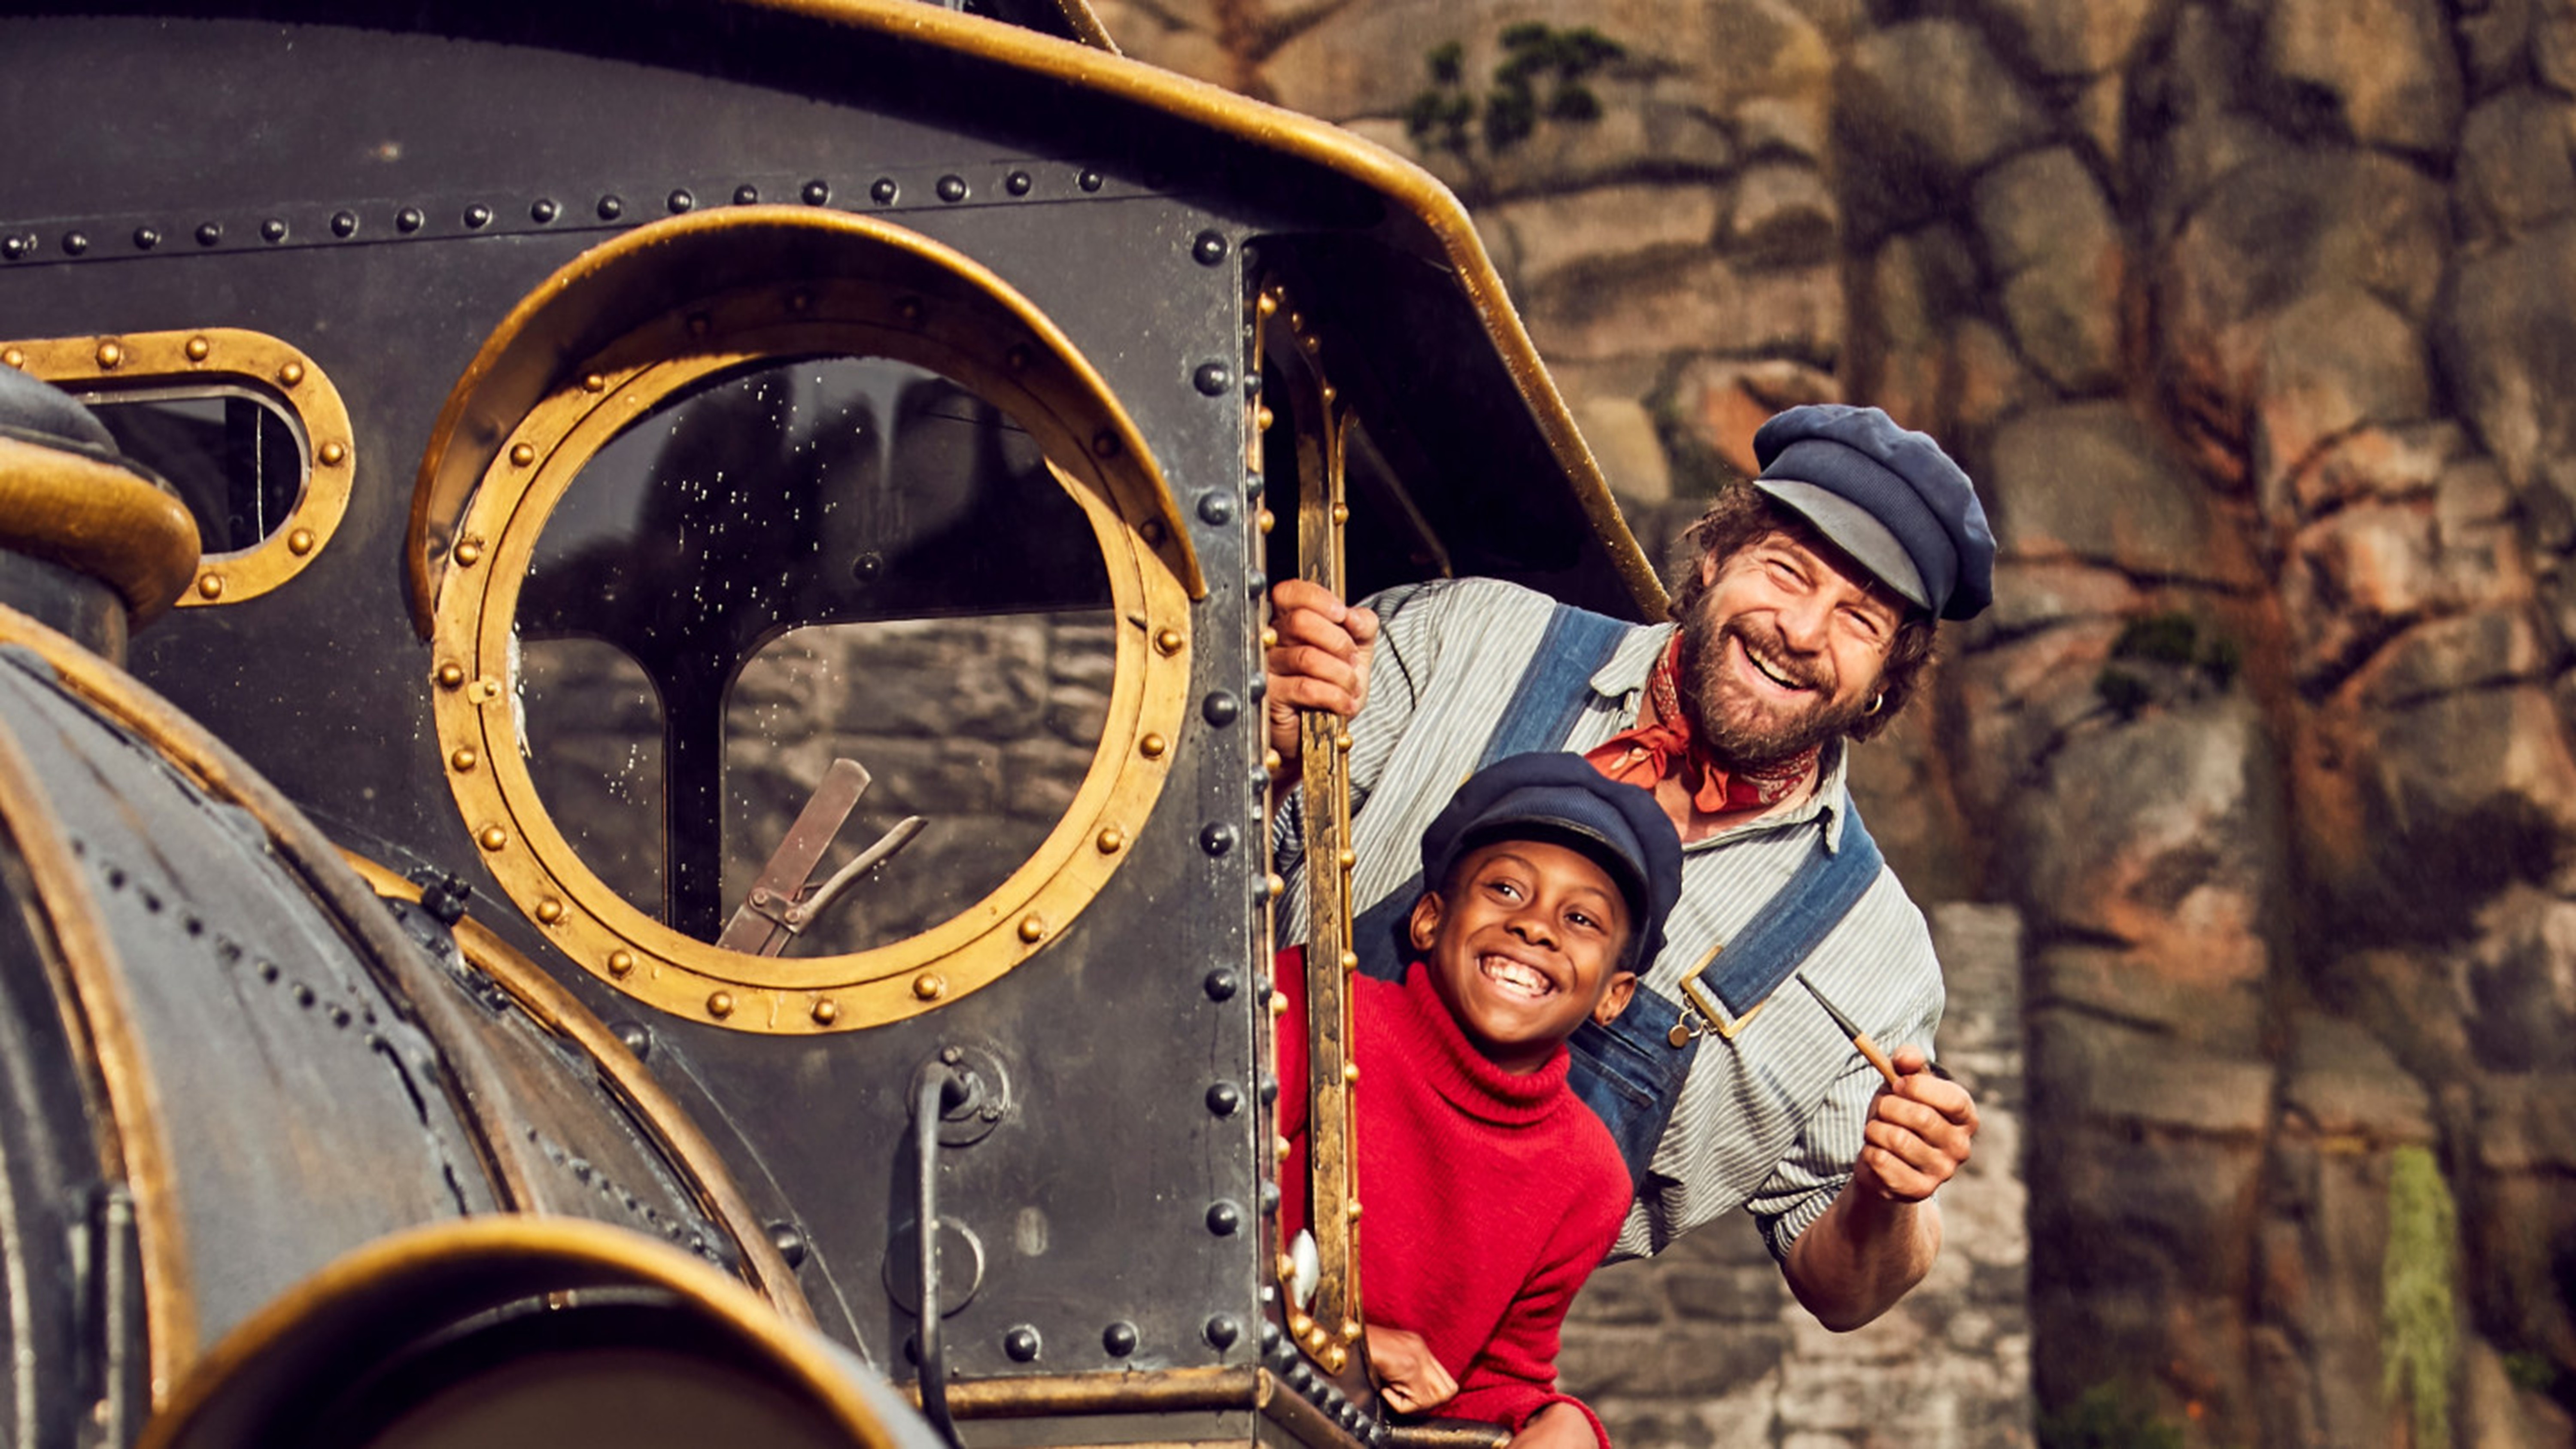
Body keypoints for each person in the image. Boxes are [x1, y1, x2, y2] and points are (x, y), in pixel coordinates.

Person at [1266, 404, 1990, 1331]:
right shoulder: (1467, 638)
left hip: (1445, 1369)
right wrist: (1268, 742)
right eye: (1786, 570)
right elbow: (1216, 876)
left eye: (1859, 618)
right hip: (1205, 1211)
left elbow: (1844, 1287)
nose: (1802, 631)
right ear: (1715, 558)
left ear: (1888, 675)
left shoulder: (1873, 955)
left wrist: (1894, 1194)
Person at [1274, 752, 1683, 1449]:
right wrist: (1337, 1338)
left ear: (1614, 996)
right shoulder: (1312, 1010)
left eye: (1582, 919)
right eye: (1505, 889)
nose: (1537, 926)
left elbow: (1497, 1376)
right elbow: (1176, 1222)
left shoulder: (1591, 1175)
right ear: (1431, 919)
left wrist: (1557, 1423)